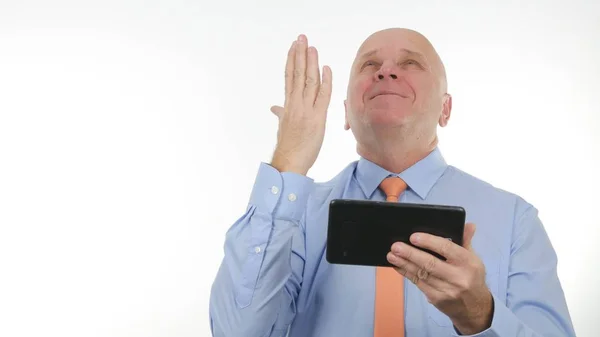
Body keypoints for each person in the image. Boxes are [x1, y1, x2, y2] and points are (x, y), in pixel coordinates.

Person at [207, 28, 576, 337]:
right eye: (370, 64)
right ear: (347, 113)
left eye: (410, 63)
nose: (385, 72)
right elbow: (236, 330)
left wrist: (481, 315)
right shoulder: (293, 216)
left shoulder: (515, 219)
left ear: (446, 109)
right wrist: (289, 159)